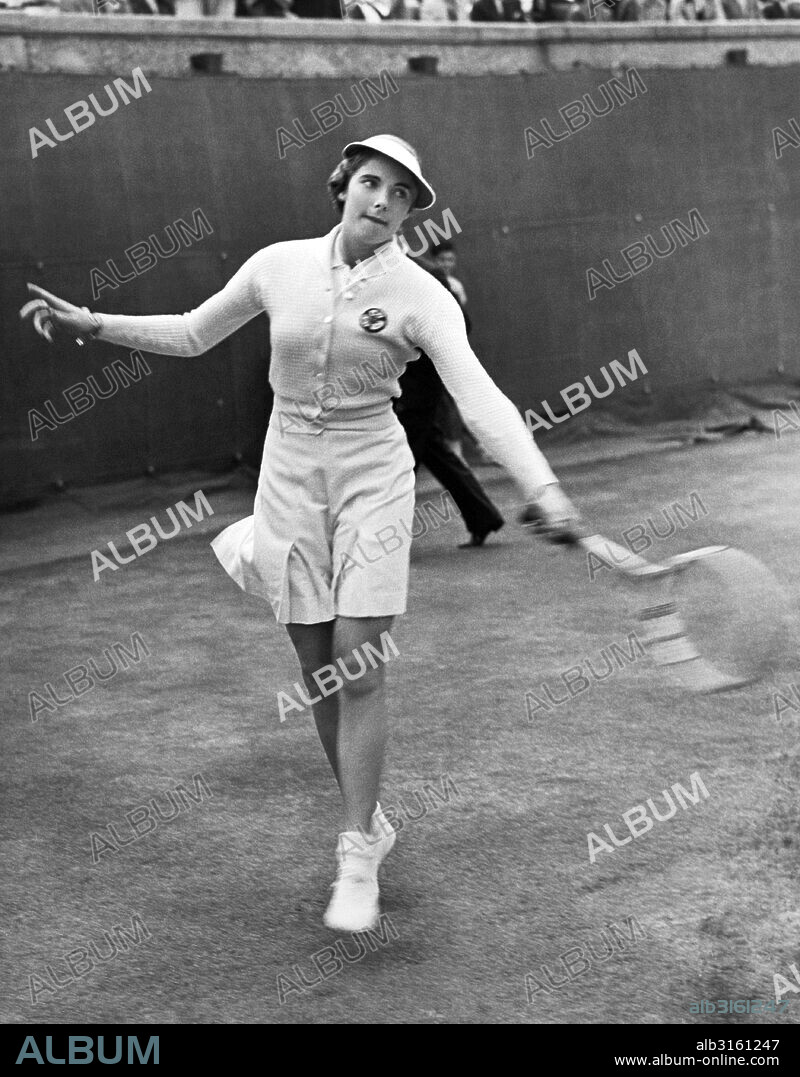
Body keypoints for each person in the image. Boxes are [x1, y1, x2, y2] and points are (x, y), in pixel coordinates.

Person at [20, 133, 582, 935]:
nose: (383, 201)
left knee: (359, 658)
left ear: (411, 213)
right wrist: (96, 322)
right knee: (320, 669)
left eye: (401, 195)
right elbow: (190, 332)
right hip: (287, 476)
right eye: (372, 184)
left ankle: (357, 851)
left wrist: (544, 486)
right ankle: (372, 820)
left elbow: (483, 398)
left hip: (372, 475)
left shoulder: (423, 295)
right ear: (345, 184)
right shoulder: (275, 264)